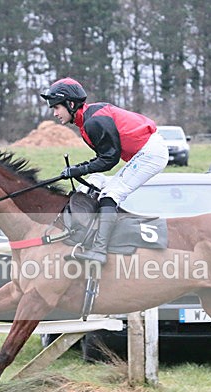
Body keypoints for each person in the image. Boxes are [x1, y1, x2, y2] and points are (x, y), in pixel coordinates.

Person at [40, 77, 168, 264]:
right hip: (146, 151)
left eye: (57, 107)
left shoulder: (94, 121)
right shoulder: (87, 120)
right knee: (96, 180)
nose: (55, 113)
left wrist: (77, 170)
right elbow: (104, 158)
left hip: (151, 153)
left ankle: (99, 250)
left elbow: (109, 160)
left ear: (71, 104)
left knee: (110, 194)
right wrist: (78, 169)